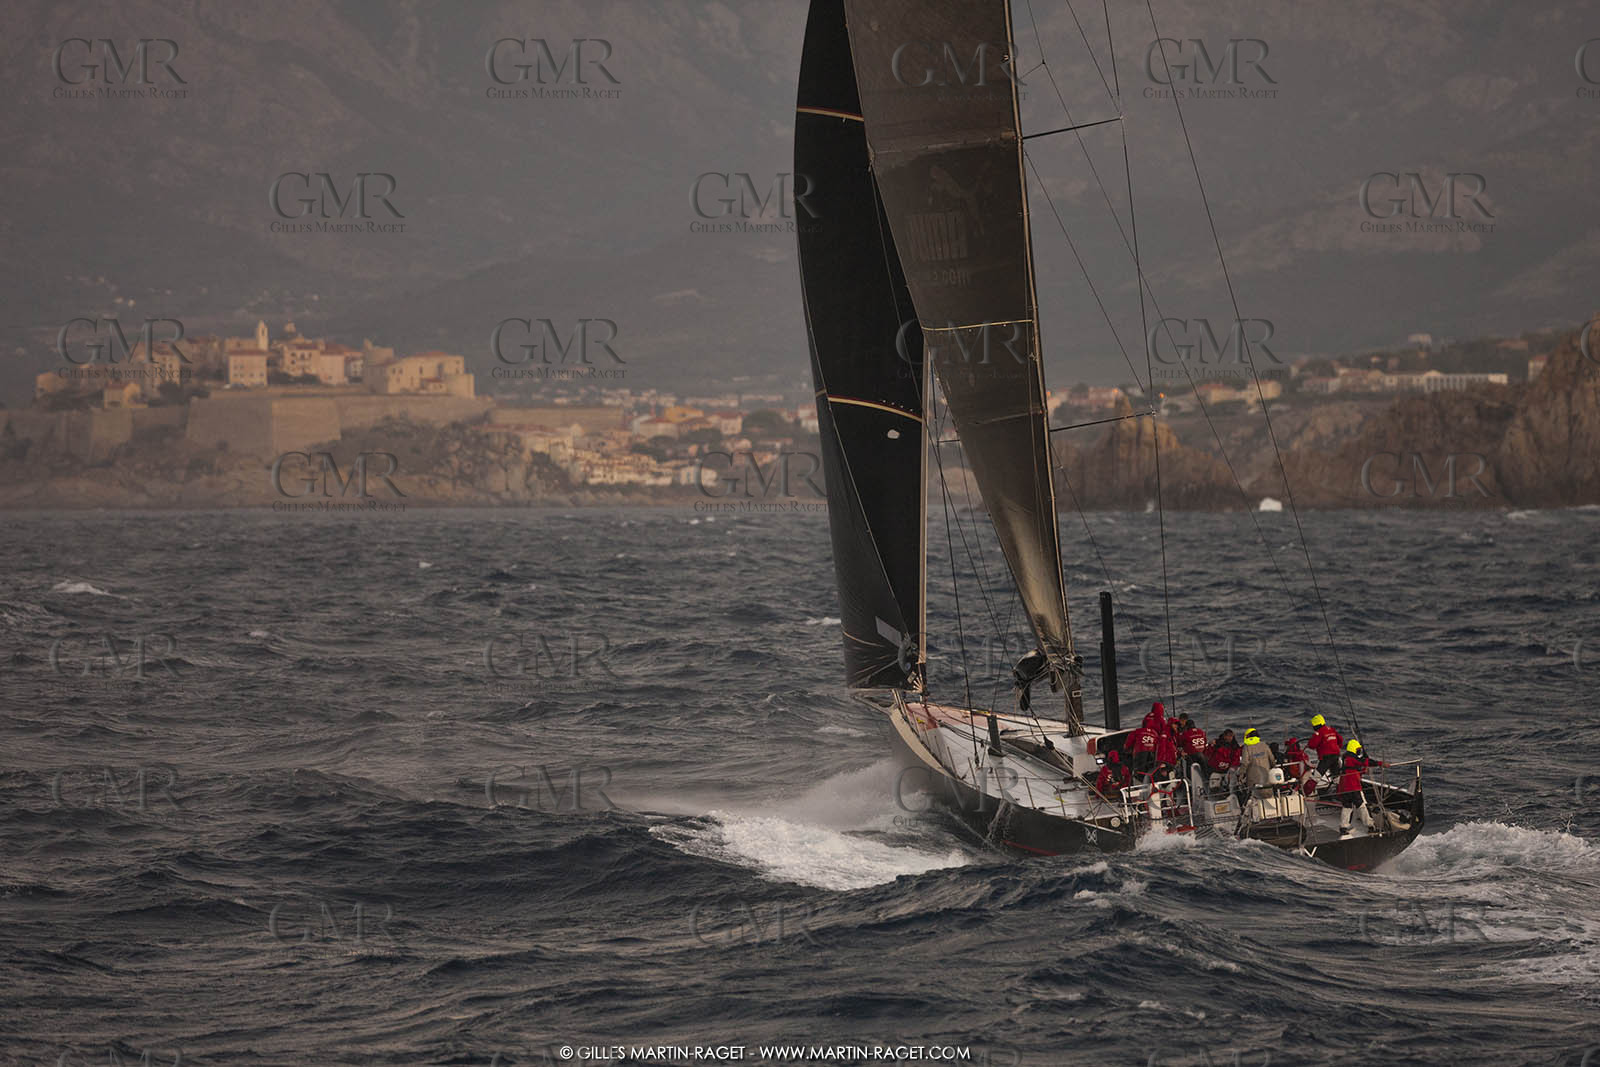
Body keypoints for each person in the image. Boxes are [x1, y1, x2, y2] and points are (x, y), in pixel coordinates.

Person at [1337, 738, 1384, 835]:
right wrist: (1380, 763)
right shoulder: (1352, 758)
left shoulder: (1345, 758)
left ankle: (1343, 827)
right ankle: (1371, 826)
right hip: (1353, 787)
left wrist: (1362, 770)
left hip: (1344, 787)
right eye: (1358, 749)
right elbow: (1364, 762)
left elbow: (1352, 769)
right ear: (1355, 749)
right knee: (1361, 806)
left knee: (1347, 806)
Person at [1237, 727, 1276, 794]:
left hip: (1253, 781)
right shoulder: (1264, 745)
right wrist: (1274, 767)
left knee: (1254, 798)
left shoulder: (1246, 747)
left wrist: (1240, 775)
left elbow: (1244, 763)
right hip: (1266, 779)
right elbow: (1272, 759)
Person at [1309, 714, 1344, 780]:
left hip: (1326, 758)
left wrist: (1310, 742)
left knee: (1315, 777)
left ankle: (1307, 790)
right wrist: (1337, 746)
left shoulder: (1319, 732)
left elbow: (1312, 745)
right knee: (1336, 776)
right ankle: (1337, 788)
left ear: (1316, 725)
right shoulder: (1331, 729)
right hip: (1336, 755)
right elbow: (1340, 739)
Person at [1126, 713, 1159, 779]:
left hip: (1140, 755)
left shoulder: (1137, 732)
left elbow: (1127, 745)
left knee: (1139, 774)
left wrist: (1127, 749)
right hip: (1152, 756)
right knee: (1151, 773)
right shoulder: (1155, 734)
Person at [1179, 717, 1210, 782]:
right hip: (1203, 754)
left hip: (1192, 756)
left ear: (1187, 726)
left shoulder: (1186, 734)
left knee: (1185, 761)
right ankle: (1206, 777)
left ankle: (1189, 779)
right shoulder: (1201, 732)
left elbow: (1180, 743)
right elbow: (1205, 742)